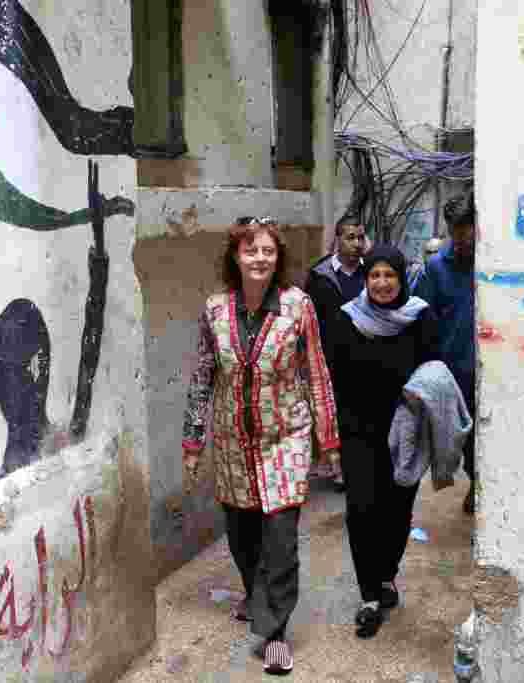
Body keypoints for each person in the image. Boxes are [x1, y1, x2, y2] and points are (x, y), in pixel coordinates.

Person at [182, 216, 340, 676]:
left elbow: (315, 371)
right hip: (232, 442)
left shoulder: (298, 306)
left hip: (285, 438)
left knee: (281, 539)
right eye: (251, 250)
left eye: (268, 251)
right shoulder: (215, 310)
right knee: (242, 536)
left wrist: (327, 439)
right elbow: (201, 378)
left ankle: (274, 632)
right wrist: (194, 441)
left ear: (279, 257)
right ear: (236, 256)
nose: (260, 258)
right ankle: (256, 598)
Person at [325, 244, 439, 639]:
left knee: (396, 508)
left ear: (401, 278)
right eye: (375, 275)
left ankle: (387, 575)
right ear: (366, 278)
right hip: (359, 431)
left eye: (390, 275)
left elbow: (433, 369)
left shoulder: (419, 316)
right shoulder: (346, 319)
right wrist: (333, 434)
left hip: (405, 431)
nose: (383, 282)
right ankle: (369, 594)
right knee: (361, 509)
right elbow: (333, 375)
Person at [412, 195, 477, 514]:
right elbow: (423, 317)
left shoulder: (490, 260)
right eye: (458, 233)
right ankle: (473, 477)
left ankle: (481, 484)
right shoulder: (436, 268)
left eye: (470, 232)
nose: (464, 241)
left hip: (488, 368)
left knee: (485, 433)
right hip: (453, 370)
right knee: (459, 434)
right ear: (450, 231)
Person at [305, 218, 371, 492]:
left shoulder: (373, 272)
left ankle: (364, 466)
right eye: (350, 237)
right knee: (338, 413)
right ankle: (342, 469)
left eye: (360, 238)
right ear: (337, 240)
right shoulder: (320, 275)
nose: (356, 244)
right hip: (331, 358)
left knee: (365, 411)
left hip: (367, 356)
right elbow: (308, 318)